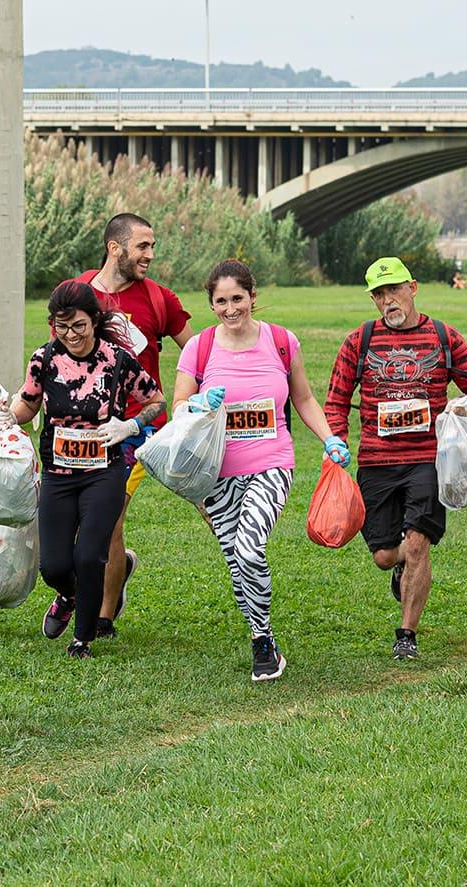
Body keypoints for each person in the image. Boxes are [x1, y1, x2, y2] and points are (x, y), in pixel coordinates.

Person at [171, 260, 351, 681]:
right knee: (237, 561)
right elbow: (179, 407)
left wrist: (329, 438)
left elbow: (304, 399)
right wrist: (195, 405)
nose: (231, 308)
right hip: (213, 473)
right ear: (211, 304)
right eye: (221, 301)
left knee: (250, 548)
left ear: (253, 296)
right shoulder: (199, 347)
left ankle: (263, 640)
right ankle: (261, 635)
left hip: (271, 464)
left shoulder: (282, 341)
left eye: (238, 298)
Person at [324, 257, 467, 660]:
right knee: (384, 555)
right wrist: (336, 441)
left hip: (428, 462)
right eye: (379, 294)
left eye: (394, 290)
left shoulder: (443, 337)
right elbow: (336, 401)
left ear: (412, 288)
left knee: (417, 544)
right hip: (376, 463)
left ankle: (406, 634)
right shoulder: (358, 342)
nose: (387, 300)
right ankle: (400, 565)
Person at [4, 281, 165, 659]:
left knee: (89, 555)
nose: (70, 335)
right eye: (61, 327)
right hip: (59, 474)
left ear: (94, 321)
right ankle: (70, 595)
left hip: (103, 472)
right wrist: (6, 417)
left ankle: (83, 639)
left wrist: (132, 425)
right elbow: (27, 405)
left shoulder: (116, 360)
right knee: (54, 564)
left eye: (77, 326)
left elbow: (156, 400)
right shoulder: (44, 360)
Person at [75, 213, 195, 637]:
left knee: (107, 515)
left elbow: (198, 352)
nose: (150, 254)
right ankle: (118, 568)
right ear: (115, 248)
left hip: (139, 426)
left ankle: (102, 617)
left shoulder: (160, 299)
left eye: (152, 246)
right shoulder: (78, 292)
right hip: (83, 425)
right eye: (142, 246)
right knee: (78, 517)